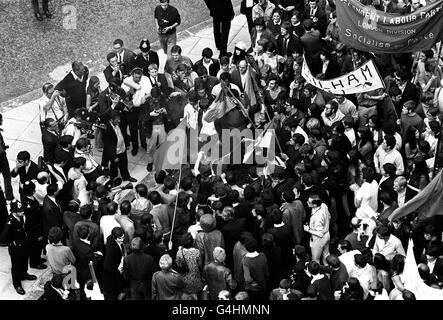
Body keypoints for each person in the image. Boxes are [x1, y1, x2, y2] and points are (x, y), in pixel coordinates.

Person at [0, 200, 38, 295]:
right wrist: (11, 242)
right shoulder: (10, 222)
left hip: (24, 244)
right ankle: (17, 284)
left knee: (24, 262)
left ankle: (24, 274)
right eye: (20, 211)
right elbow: (3, 238)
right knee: (16, 266)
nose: (23, 212)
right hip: (16, 248)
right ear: (14, 212)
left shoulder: (21, 217)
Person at [102, 110, 137, 183]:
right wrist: (114, 156)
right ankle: (113, 179)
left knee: (124, 164)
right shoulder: (106, 128)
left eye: (119, 118)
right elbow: (107, 145)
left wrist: (126, 144)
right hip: (115, 152)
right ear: (111, 120)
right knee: (114, 167)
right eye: (117, 119)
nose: (119, 120)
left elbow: (124, 134)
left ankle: (126, 177)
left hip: (122, 149)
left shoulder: (120, 124)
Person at [304, 194, 331, 265]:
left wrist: (308, 229)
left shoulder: (317, 217)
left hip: (319, 239)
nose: (307, 202)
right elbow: (329, 216)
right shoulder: (324, 205)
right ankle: (328, 272)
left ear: (315, 205)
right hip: (327, 234)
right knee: (326, 255)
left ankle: (317, 273)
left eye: (309, 202)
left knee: (315, 259)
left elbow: (320, 234)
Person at [0, 114, 13, 201]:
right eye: (1, 120)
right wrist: (2, 150)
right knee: (7, 176)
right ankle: (9, 196)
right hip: (1, 157)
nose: (2, 121)